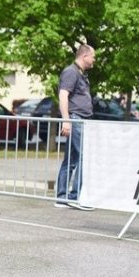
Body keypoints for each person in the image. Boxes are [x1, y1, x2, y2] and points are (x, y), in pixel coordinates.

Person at [55, 44, 95, 211]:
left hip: (78, 119)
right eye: (93, 57)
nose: (94, 60)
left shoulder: (79, 73)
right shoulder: (71, 72)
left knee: (71, 159)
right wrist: (66, 121)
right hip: (76, 119)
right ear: (84, 56)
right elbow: (63, 95)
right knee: (84, 157)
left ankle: (62, 197)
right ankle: (75, 196)